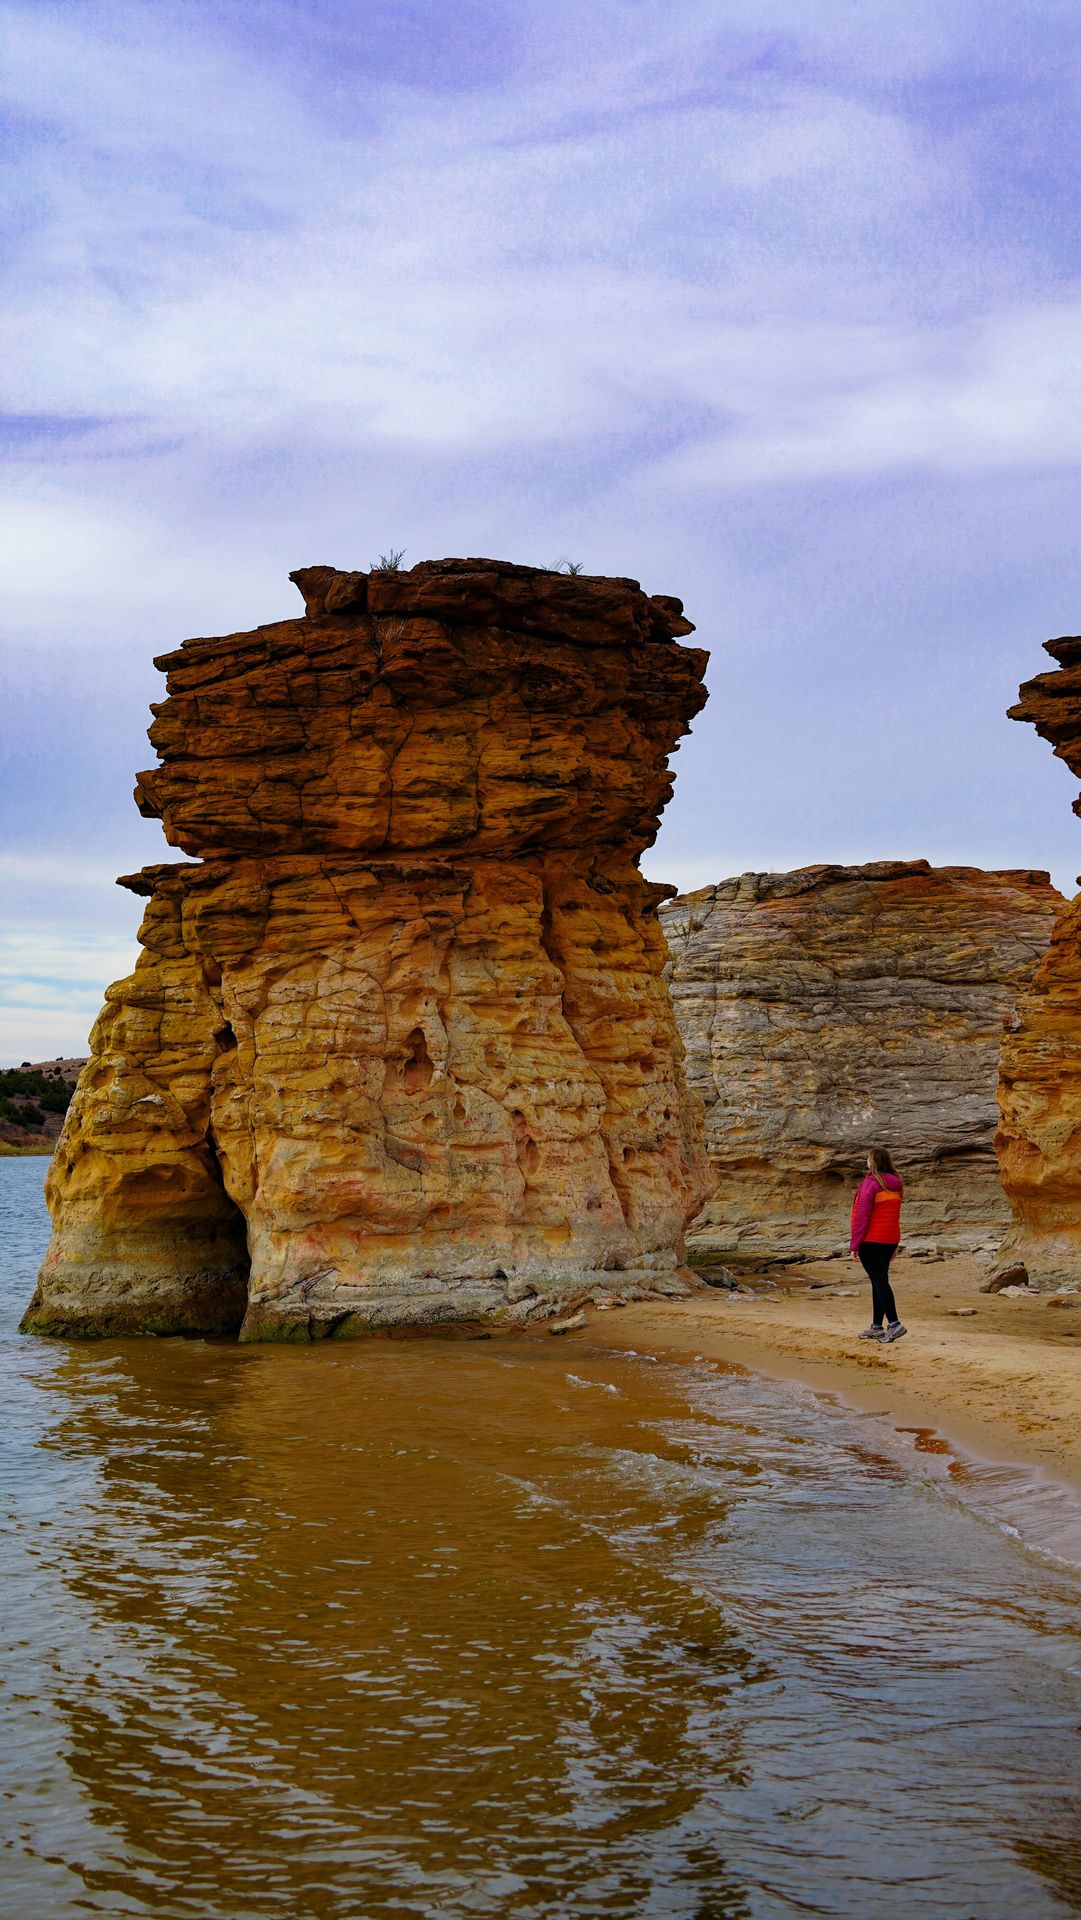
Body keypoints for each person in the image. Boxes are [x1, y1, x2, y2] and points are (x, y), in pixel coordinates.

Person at [850, 1148, 907, 1343]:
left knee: (880, 1282)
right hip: (889, 1239)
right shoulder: (897, 1184)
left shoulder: (870, 1184)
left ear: (873, 1162)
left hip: (871, 1240)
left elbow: (861, 1217)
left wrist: (854, 1244)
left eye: (868, 1159)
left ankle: (894, 1324)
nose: (866, 1161)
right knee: (878, 1280)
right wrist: (894, 1243)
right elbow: (894, 1215)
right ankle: (876, 1327)